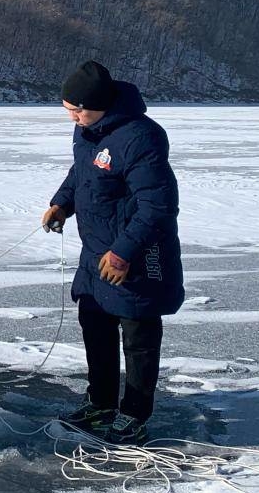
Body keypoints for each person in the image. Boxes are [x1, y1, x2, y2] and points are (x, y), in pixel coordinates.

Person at [41, 60, 184, 444]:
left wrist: (124, 252)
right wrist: (62, 203)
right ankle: (101, 402)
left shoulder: (141, 137)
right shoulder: (87, 130)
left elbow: (158, 205)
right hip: (95, 252)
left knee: (138, 334)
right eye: (66, 109)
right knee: (95, 325)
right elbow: (82, 174)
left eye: (77, 110)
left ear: (99, 105)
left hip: (137, 253)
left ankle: (134, 413)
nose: (71, 117)